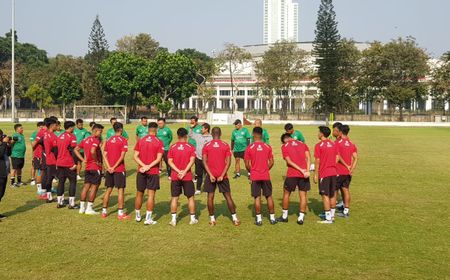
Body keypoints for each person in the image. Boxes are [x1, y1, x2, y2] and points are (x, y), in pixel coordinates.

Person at [202, 127, 241, 226]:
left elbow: (204, 162)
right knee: (228, 196)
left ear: (211, 133)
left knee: (210, 197)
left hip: (210, 175)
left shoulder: (206, 145)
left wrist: (210, 175)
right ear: (220, 133)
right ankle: (235, 219)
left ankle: (212, 220)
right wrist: (222, 175)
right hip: (222, 175)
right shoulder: (225, 145)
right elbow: (228, 162)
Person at [244, 127, 277, 226]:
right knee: (269, 196)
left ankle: (259, 220)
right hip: (265, 175)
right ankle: (272, 218)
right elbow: (271, 162)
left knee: (257, 197)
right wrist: (266, 169)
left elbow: (247, 163)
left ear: (253, 134)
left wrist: (252, 171)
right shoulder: (267, 147)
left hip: (255, 176)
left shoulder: (249, 147)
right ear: (262, 135)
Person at [134, 122, 164, 225]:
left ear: (148, 129)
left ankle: (138, 216)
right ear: (156, 130)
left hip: (141, 170)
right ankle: (148, 219)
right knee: (151, 195)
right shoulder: (159, 142)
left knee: (139, 193)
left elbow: (135, 156)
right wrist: (149, 166)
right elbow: (159, 159)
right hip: (153, 171)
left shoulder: (141, 140)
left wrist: (143, 166)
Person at [278, 133, 311, 225]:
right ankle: (301, 218)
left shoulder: (284, 146)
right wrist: (307, 171)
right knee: (303, 195)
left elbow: (288, 161)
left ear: (284, 140)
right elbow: (308, 157)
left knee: (286, 193)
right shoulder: (303, 144)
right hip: (304, 174)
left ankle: (284, 216)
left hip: (292, 174)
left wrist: (300, 170)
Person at [167, 128, 198, 226]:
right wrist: (184, 171)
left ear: (177, 136)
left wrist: (178, 171)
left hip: (175, 176)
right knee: (190, 198)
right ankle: (192, 219)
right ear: (186, 136)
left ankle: (173, 220)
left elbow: (169, 161)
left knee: (174, 198)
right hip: (187, 176)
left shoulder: (172, 147)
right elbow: (192, 161)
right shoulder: (190, 147)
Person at [102, 122, 130, 220]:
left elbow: (104, 155)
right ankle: (120, 213)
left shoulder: (109, 140)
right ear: (121, 129)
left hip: (109, 169)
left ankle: (104, 212)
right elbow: (122, 156)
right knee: (120, 191)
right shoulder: (123, 140)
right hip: (119, 169)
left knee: (108, 190)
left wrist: (109, 167)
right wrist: (114, 167)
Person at [75, 124, 104, 215]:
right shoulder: (95, 140)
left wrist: (83, 160)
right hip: (95, 167)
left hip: (87, 167)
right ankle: (89, 209)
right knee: (94, 187)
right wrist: (96, 161)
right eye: (100, 131)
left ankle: (81, 208)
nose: (101, 134)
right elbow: (92, 151)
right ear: (95, 131)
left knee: (86, 186)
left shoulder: (85, 140)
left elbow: (76, 149)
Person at [313, 126, 338, 224]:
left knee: (325, 195)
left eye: (318, 132)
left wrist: (315, 174)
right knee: (332, 194)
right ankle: (331, 215)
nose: (318, 134)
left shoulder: (318, 146)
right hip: (334, 172)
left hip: (325, 173)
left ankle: (328, 218)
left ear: (322, 134)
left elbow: (317, 160)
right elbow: (337, 157)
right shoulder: (333, 144)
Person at [336, 125, 358, 218]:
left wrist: (345, 165)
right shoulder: (351, 144)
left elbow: (338, 157)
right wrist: (351, 169)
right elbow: (356, 158)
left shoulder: (338, 143)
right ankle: (346, 210)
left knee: (333, 190)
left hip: (338, 171)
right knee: (346, 190)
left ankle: (330, 210)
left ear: (340, 132)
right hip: (347, 173)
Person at [55, 121, 79, 209]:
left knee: (61, 182)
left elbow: (56, 150)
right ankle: (72, 204)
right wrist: (75, 163)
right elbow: (73, 150)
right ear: (71, 127)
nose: (74, 128)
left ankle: (60, 202)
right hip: (69, 163)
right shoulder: (72, 136)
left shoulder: (60, 136)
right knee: (73, 182)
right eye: (73, 127)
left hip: (60, 162)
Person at [188, 123, 213, 195]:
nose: (201, 129)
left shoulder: (211, 137)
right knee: (199, 174)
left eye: (202, 128)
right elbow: (190, 134)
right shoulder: (198, 136)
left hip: (207, 160)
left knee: (207, 175)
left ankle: (207, 189)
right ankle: (198, 189)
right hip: (198, 158)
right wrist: (191, 128)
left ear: (206, 129)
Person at [43, 118, 59, 203]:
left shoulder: (46, 134)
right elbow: (55, 149)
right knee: (61, 178)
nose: (57, 126)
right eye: (56, 125)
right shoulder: (52, 136)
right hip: (53, 160)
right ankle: (60, 198)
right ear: (52, 126)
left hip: (49, 159)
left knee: (50, 178)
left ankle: (49, 197)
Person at [31, 119, 48, 196]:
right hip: (39, 155)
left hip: (44, 155)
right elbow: (33, 145)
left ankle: (46, 188)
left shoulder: (46, 132)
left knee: (45, 172)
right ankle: (39, 189)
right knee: (40, 171)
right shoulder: (40, 133)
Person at [187, 116, 202, 182]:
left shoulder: (201, 128)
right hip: (189, 147)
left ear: (196, 121)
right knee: (188, 161)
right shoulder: (188, 128)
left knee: (197, 162)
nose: (192, 122)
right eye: (191, 121)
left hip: (197, 147)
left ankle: (196, 176)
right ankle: (188, 174)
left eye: (193, 121)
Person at [29, 121, 44, 186]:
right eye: (41, 127)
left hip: (43, 154)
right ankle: (32, 179)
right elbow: (32, 145)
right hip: (37, 153)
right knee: (34, 166)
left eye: (43, 127)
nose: (42, 128)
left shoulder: (44, 133)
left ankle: (40, 181)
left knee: (41, 168)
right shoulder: (34, 134)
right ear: (38, 127)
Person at [0, 132, 10, 221]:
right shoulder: (1, 145)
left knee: (1, 194)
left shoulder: (2, 145)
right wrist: (3, 143)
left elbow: (8, 153)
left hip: (3, 172)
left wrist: (9, 145)